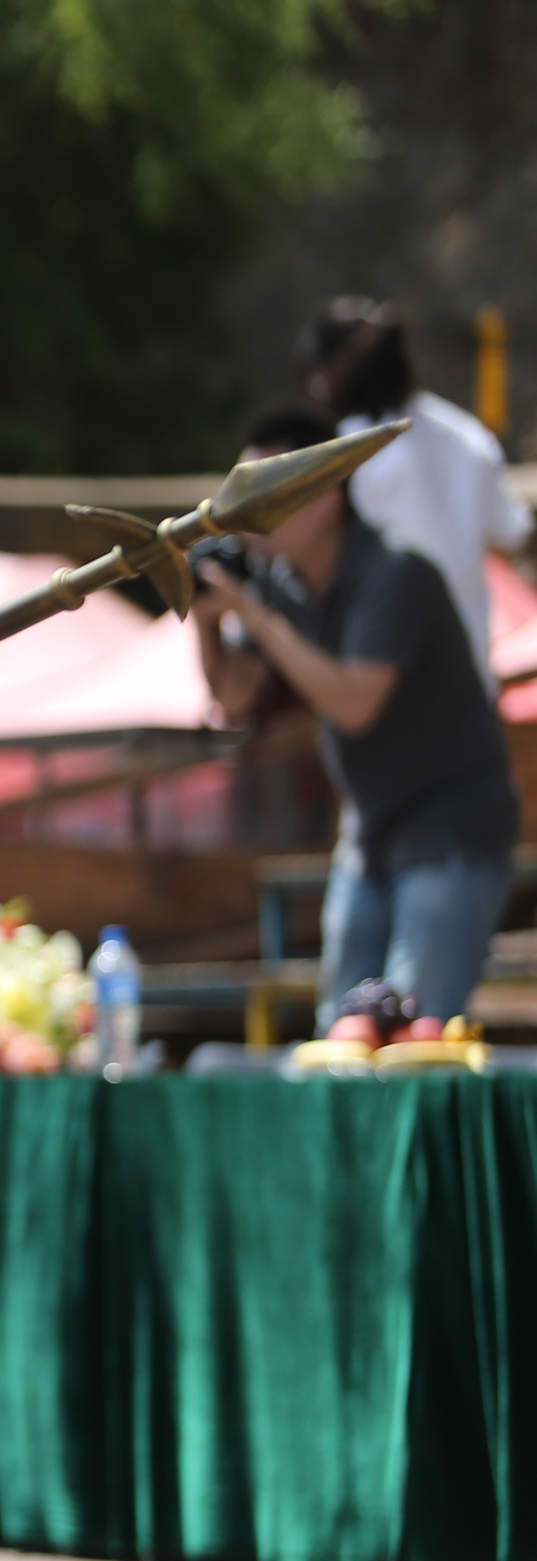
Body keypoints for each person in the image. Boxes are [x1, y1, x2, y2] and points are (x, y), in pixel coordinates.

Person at [196, 408, 520, 1026]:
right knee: (339, 1038)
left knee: (410, 1043)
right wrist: (207, 619)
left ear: (325, 496)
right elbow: (233, 700)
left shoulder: (396, 570)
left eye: (266, 493)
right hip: (369, 835)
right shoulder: (279, 583)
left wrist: (254, 614)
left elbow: (354, 704)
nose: (248, 513)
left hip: (450, 828)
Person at [298, 298, 530, 686]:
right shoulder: (467, 436)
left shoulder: (342, 456)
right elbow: (512, 535)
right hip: (470, 686)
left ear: (325, 376)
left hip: (379, 690)